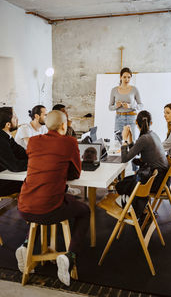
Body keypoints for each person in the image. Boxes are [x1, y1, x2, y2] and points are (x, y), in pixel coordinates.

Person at [15, 110, 90, 286]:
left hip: (24, 206)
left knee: (40, 205)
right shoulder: (69, 142)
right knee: (84, 210)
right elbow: (76, 173)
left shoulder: (33, 141)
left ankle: (26, 246)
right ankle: (69, 256)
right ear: (64, 125)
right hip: (49, 209)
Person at [115, 110, 169, 218]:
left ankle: (131, 206)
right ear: (151, 123)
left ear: (136, 122)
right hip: (161, 179)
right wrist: (130, 138)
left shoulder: (144, 138)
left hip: (154, 182)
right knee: (126, 181)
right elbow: (135, 152)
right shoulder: (152, 135)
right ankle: (137, 205)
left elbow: (125, 158)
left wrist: (124, 139)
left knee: (120, 185)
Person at [52, 104, 80, 196]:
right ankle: (65, 189)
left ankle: (66, 188)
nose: (67, 114)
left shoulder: (67, 127)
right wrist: (67, 127)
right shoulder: (54, 128)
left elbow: (73, 140)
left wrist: (68, 127)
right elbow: (65, 142)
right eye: (64, 112)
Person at [108, 67, 143, 141]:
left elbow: (141, 105)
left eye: (129, 77)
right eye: (124, 77)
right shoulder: (114, 90)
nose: (127, 79)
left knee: (132, 141)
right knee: (118, 141)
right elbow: (110, 107)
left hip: (132, 118)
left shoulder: (134, 89)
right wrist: (116, 106)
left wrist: (130, 106)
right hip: (119, 118)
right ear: (120, 77)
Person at [0, 107, 27, 196]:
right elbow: (15, 166)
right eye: (15, 117)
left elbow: (24, 153)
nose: (17, 119)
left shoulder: (7, 137)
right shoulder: (1, 140)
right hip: (2, 184)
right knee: (38, 182)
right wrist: (37, 163)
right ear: (8, 124)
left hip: (7, 178)